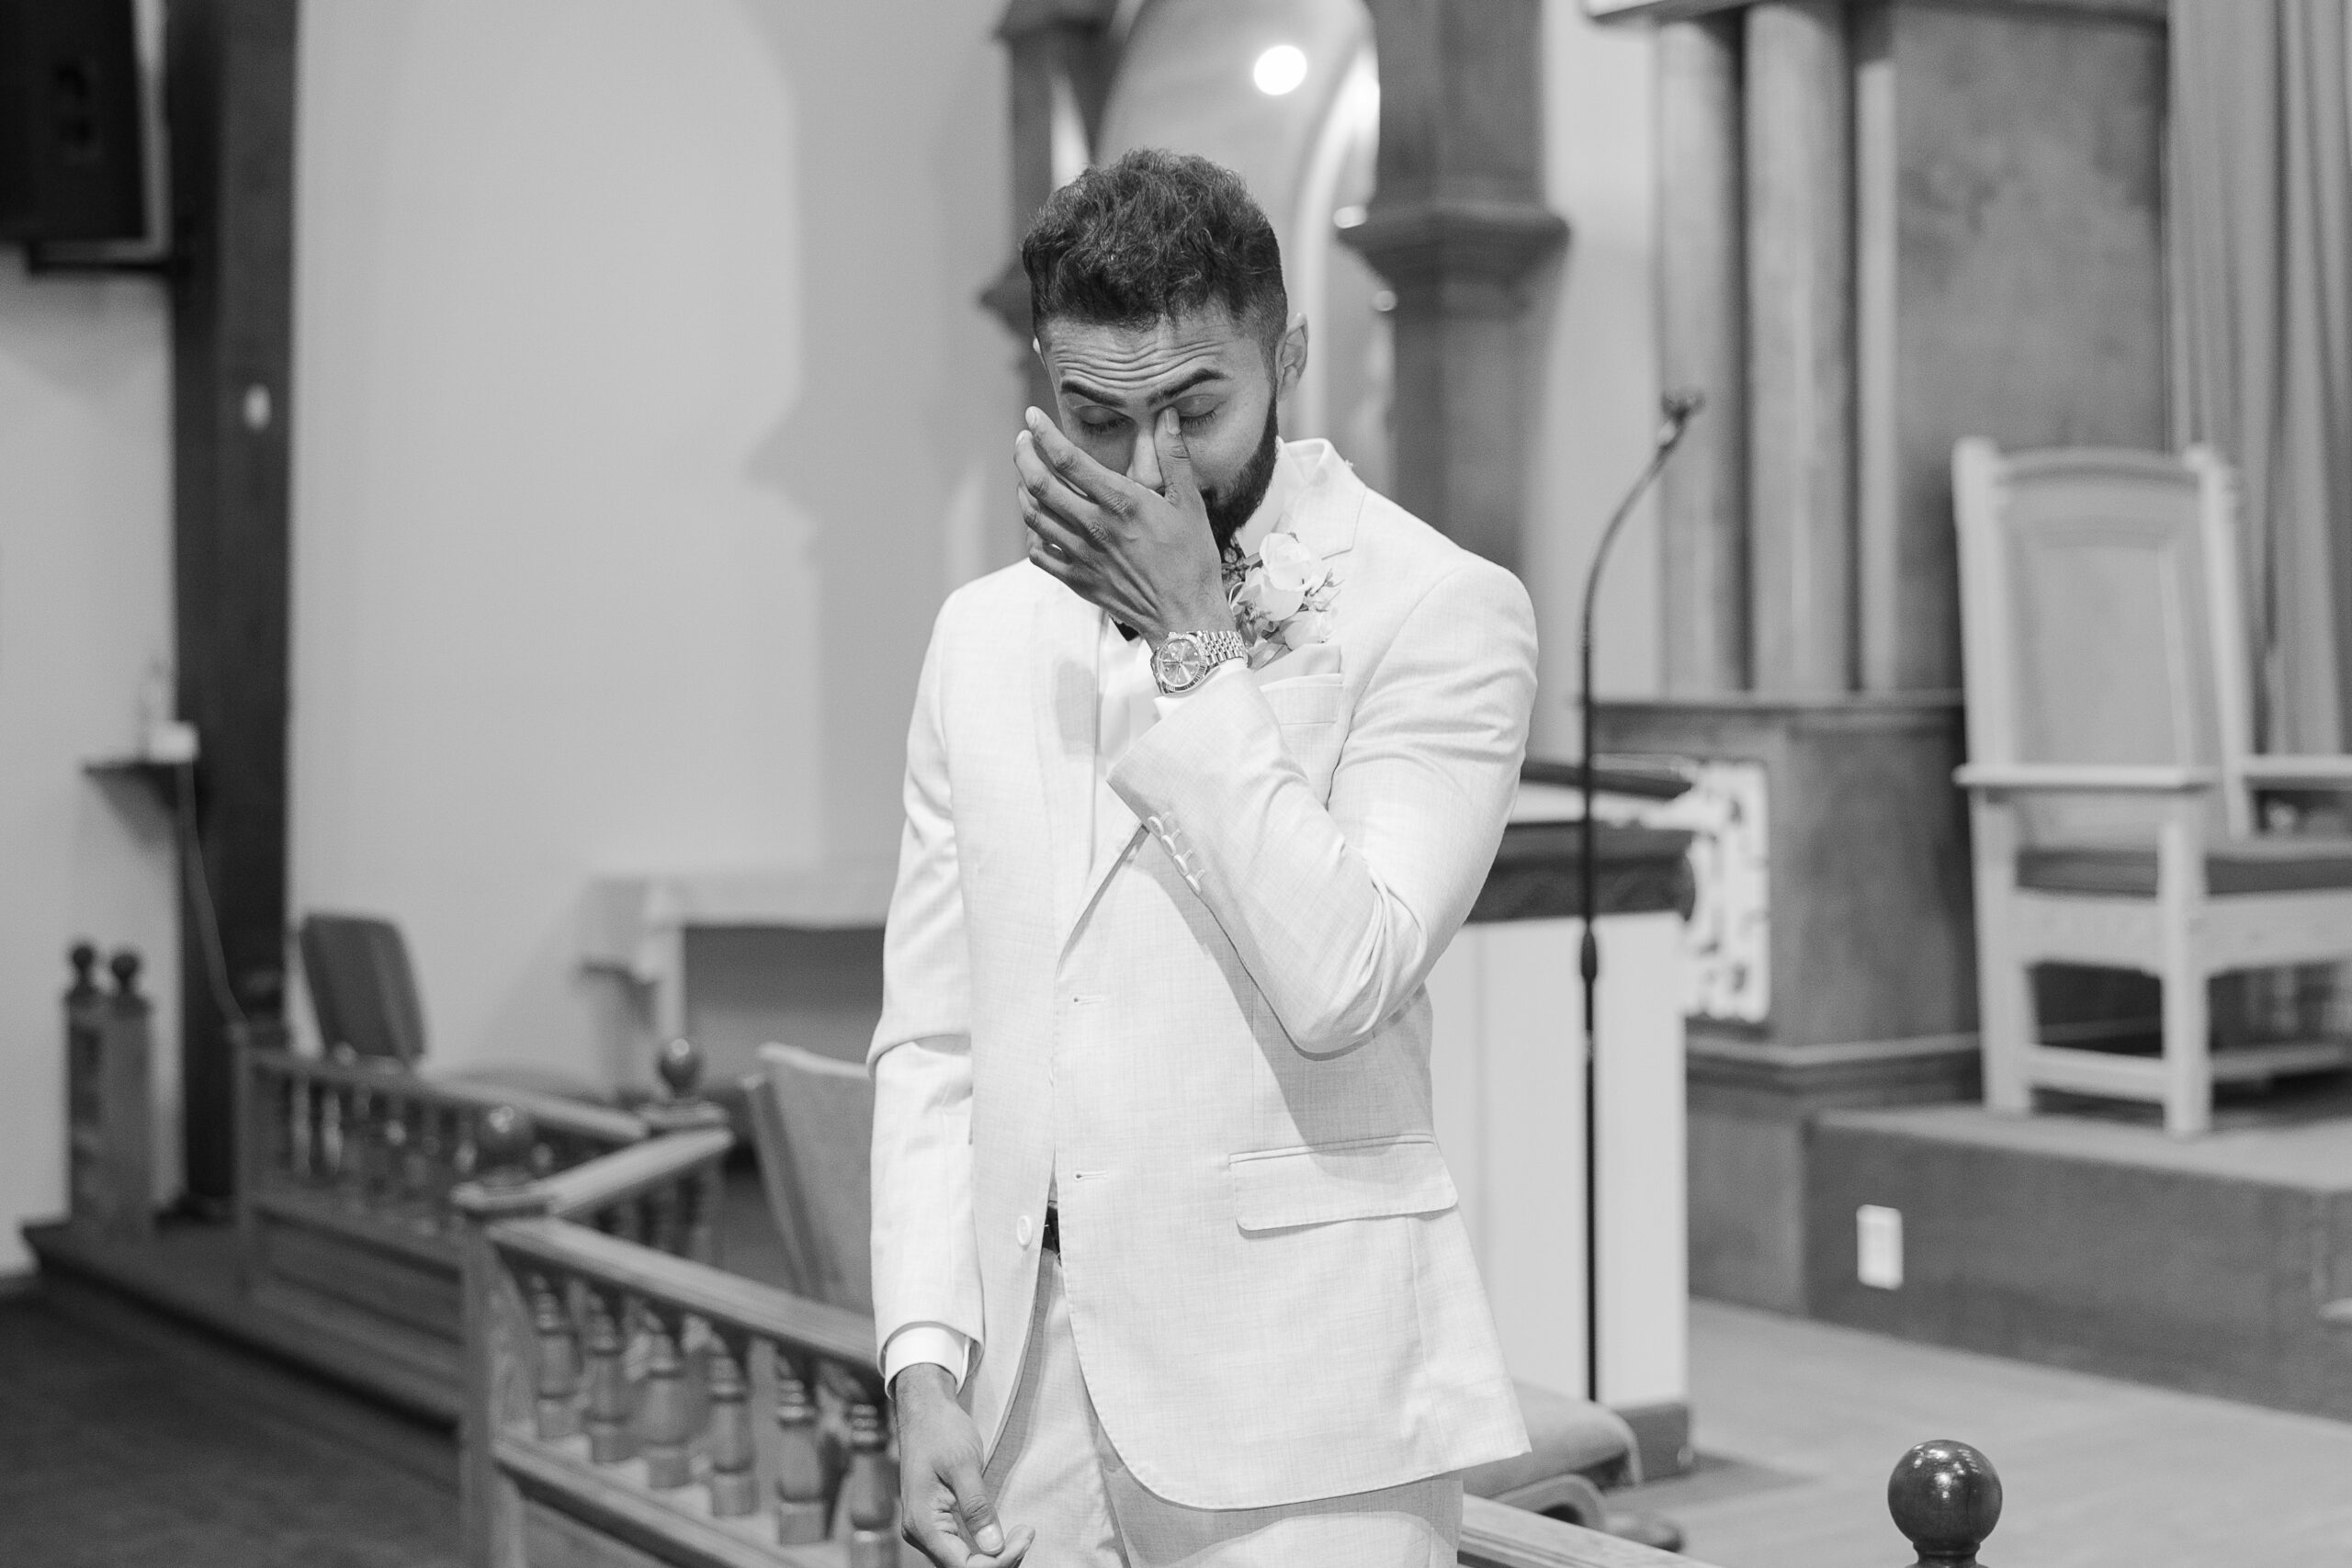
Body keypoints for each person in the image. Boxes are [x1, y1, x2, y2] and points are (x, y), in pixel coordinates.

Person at [869, 147, 1536, 1568]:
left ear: (1288, 356)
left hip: (1303, 1406)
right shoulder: (980, 638)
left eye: (1194, 409)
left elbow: (1343, 979)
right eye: (1096, 417)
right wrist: (924, 1361)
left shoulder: (1440, 609)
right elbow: (934, 1038)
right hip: (1021, 1404)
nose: (1146, 466)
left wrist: (1192, 647)